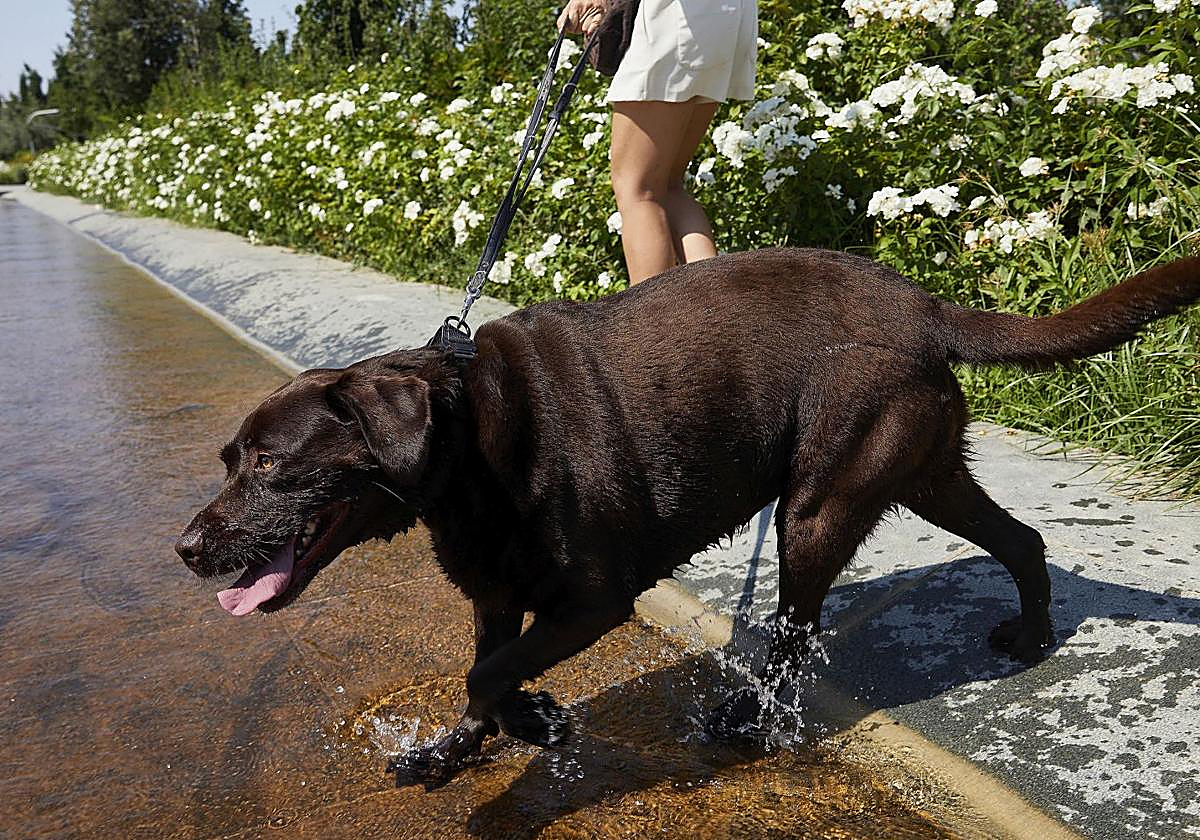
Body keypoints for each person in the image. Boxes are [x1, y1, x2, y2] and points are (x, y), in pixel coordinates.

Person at [558, 0, 758, 285]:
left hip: (678, 18)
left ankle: (655, 326)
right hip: (728, 17)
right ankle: (716, 317)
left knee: (638, 191)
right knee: (668, 187)